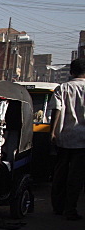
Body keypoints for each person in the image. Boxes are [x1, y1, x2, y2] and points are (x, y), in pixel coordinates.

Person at [50, 57, 85, 221]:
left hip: (63, 137)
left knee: (60, 173)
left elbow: (55, 110)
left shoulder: (63, 88)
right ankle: (70, 209)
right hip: (82, 140)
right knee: (76, 176)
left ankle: (58, 206)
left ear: (71, 72)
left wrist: (52, 132)